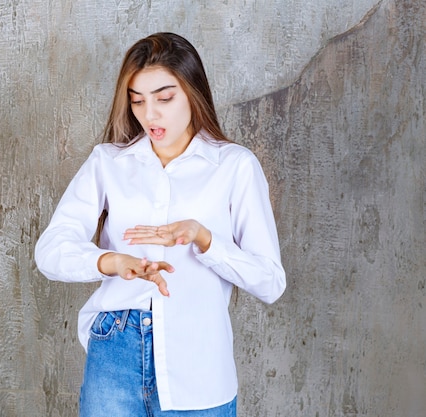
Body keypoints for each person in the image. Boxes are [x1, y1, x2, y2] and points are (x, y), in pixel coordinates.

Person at [35, 32, 286, 417]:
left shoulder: (235, 166)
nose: (150, 114)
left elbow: (270, 281)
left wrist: (205, 239)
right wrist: (113, 262)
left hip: (199, 361)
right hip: (114, 348)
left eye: (164, 98)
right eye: (138, 101)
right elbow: (51, 251)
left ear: (192, 92)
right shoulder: (108, 162)